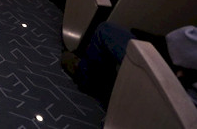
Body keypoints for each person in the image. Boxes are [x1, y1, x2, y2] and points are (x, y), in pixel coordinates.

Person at [62, 22, 197, 107]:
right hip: (185, 104)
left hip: (175, 94)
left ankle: (86, 76)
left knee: (106, 29)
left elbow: (179, 44)